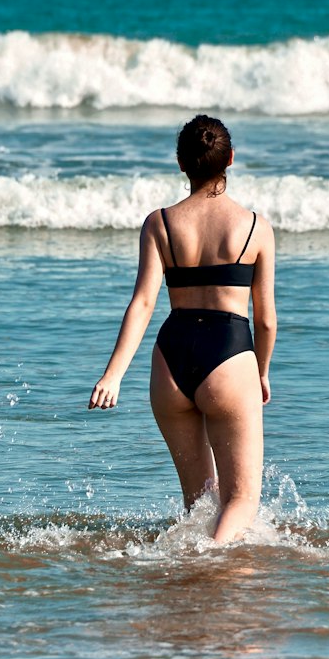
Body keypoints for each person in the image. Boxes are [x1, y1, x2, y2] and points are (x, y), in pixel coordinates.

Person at [90, 115, 277, 544]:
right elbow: (265, 319)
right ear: (230, 159)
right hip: (229, 355)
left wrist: (113, 375)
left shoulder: (159, 223)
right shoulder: (255, 228)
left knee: (200, 500)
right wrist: (261, 371)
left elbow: (142, 302)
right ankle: (209, 558)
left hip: (171, 360)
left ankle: (189, 569)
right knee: (241, 499)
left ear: (182, 164)